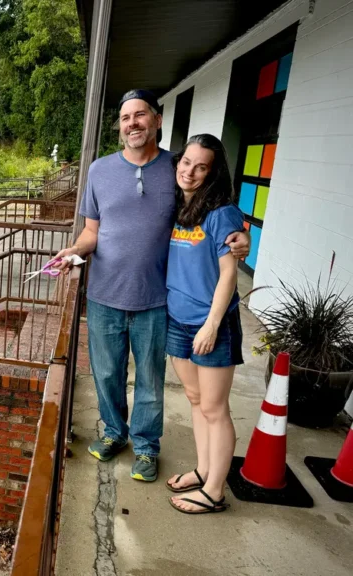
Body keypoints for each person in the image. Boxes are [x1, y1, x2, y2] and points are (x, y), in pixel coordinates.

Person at [53, 90, 250, 483]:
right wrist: (73, 250)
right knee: (107, 374)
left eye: (140, 115)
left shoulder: (176, 168)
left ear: (157, 120)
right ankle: (114, 433)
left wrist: (240, 238)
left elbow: (211, 202)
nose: (132, 124)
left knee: (149, 380)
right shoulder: (99, 171)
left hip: (158, 299)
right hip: (105, 294)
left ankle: (146, 446)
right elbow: (92, 231)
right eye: (125, 118)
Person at [164, 134, 243, 514]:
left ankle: (214, 492)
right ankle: (204, 469)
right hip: (177, 319)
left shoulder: (221, 213)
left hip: (210, 323)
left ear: (213, 172)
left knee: (215, 409)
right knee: (195, 401)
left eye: (201, 166)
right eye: (186, 162)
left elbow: (229, 275)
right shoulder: (181, 206)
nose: (190, 171)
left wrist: (211, 325)